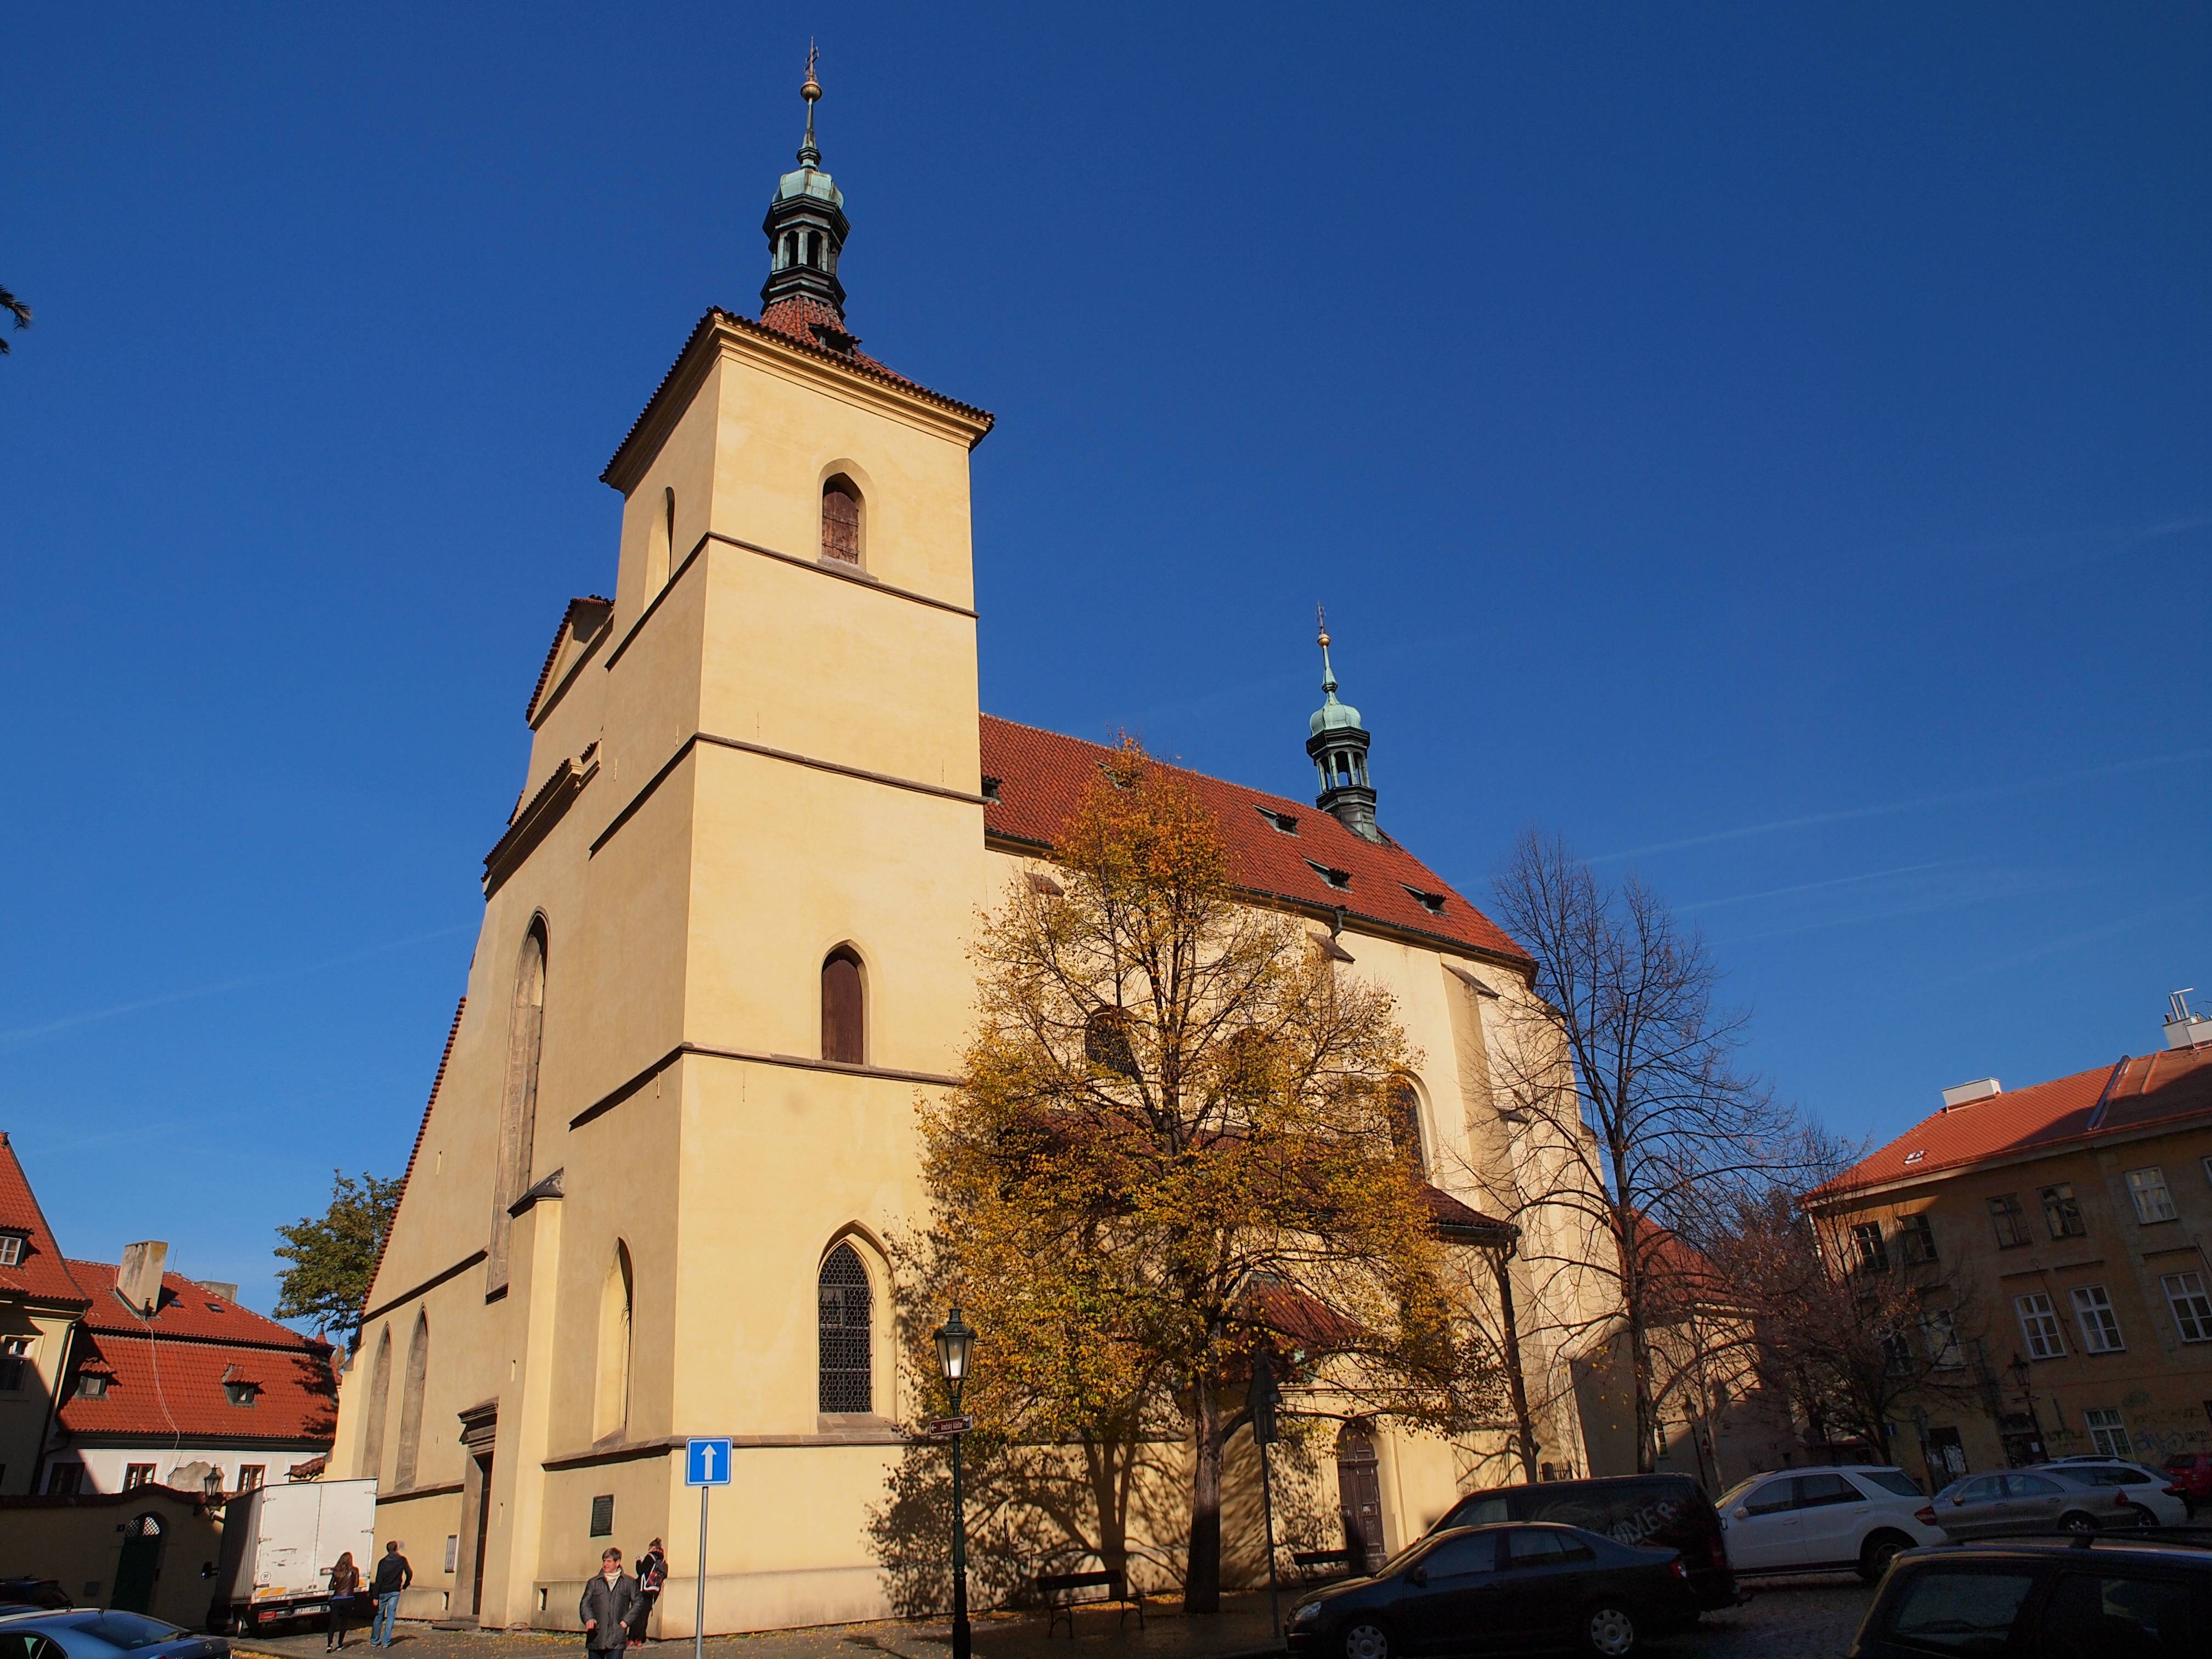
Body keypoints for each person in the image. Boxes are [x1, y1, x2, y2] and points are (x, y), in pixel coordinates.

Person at [580, 1548, 641, 1657]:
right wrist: (589, 1618)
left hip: (616, 1637)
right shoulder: (594, 1583)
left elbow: (638, 1602)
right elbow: (585, 1603)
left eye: (609, 1561)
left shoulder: (628, 1582)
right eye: (604, 1561)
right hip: (596, 1637)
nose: (605, 1564)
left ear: (617, 1563)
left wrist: (626, 1621)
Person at [370, 1540, 411, 1648]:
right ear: (396, 1549)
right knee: (391, 1615)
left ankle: (375, 1640)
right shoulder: (402, 1560)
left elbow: (378, 1580)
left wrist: (375, 1596)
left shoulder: (383, 1562)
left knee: (379, 1615)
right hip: (395, 1591)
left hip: (383, 1591)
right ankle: (386, 1641)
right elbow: (409, 1573)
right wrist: (405, 1585)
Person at [628, 1539, 667, 1646]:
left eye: (649, 1548)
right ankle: (640, 1639)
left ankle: (631, 1638)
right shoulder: (662, 1560)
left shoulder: (650, 1557)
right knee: (644, 1615)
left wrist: (639, 1561)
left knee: (636, 1613)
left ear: (653, 1548)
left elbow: (640, 1571)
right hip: (652, 1591)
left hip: (642, 1590)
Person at [326, 1551, 363, 1652]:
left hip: (337, 1598)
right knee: (344, 1622)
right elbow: (356, 1584)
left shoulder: (336, 1571)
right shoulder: (354, 1571)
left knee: (333, 1623)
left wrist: (338, 1586)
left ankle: (330, 1645)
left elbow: (330, 1586)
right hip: (349, 1598)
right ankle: (340, 1644)